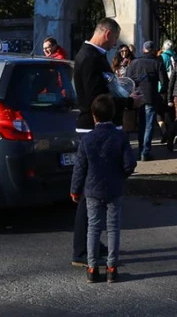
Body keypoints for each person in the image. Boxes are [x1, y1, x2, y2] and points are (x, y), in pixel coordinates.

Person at [70, 18, 143, 268]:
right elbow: (95, 99)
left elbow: (105, 90)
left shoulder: (92, 54)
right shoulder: (90, 57)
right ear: (107, 34)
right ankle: (81, 250)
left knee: (95, 189)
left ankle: (90, 244)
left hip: (96, 126)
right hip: (94, 128)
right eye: (115, 39)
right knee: (92, 193)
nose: (115, 44)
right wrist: (128, 103)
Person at [70, 94, 137, 284]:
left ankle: (92, 268)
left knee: (93, 228)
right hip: (114, 188)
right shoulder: (120, 137)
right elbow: (129, 164)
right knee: (113, 228)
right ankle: (111, 268)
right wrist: (121, 176)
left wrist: (75, 189)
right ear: (113, 113)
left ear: (93, 116)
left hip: (91, 189)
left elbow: (80, 168)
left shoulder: (87, 139)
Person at [124, 40, 167, 161]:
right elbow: (164, 82)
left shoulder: (134, 63)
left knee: (141, 125)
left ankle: (140, 150)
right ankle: (145, 151)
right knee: (149, 125)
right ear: (153, 50)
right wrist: (161, 93)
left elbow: (127, 81)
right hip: (151, 97)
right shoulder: (157, 63)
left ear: (143, 50)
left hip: (137, 97)